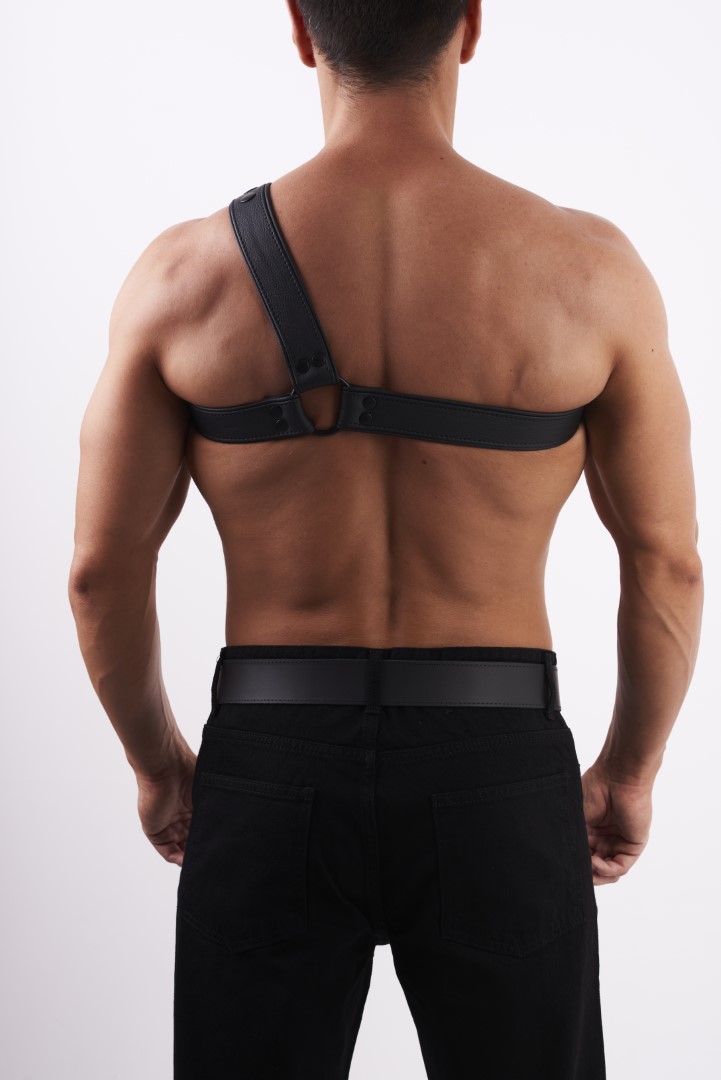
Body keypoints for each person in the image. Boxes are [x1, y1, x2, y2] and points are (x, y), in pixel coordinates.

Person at [67, 1, 704, 1076]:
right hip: (497, 766)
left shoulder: (183, 278)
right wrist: (628, 772)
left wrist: (159, 766)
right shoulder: (589, 272)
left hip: (271, 763)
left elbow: (99, 571)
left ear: (300, 30)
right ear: (470, 25)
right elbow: (667, 562)